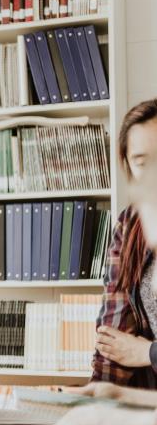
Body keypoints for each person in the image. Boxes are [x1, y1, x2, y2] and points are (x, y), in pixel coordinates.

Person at [92, 99, 157, 388]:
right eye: (143, 163)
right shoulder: (131, 224)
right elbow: (113, 335)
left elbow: (134, 350)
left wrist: (147, 352)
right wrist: (97, 396)